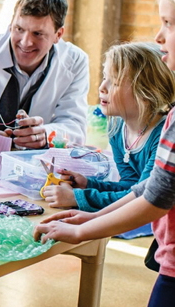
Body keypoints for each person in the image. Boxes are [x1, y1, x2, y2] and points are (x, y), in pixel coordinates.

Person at [33, 0, 175, 307]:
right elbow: (142, 189)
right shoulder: (119, 128)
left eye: (168, 22)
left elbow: (154, 199)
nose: (158, 35)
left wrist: (82, 226)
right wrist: (83, 211)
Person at [0, 0, 89, 307]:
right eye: (19, 29)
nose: (25, 42)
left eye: (38, 34)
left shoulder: (75, 62)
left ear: (59, 34)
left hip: (33, 170)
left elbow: (76, 126)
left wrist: (45, 133)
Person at [44, 43, 174, 228]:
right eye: (105, 78)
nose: (102, 87)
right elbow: (131, 186)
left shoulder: (162, 136)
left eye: (114, 82)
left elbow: (143, 198)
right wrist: (89, 184)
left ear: (145, 92)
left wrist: (77, 197)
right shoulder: (117, 128)